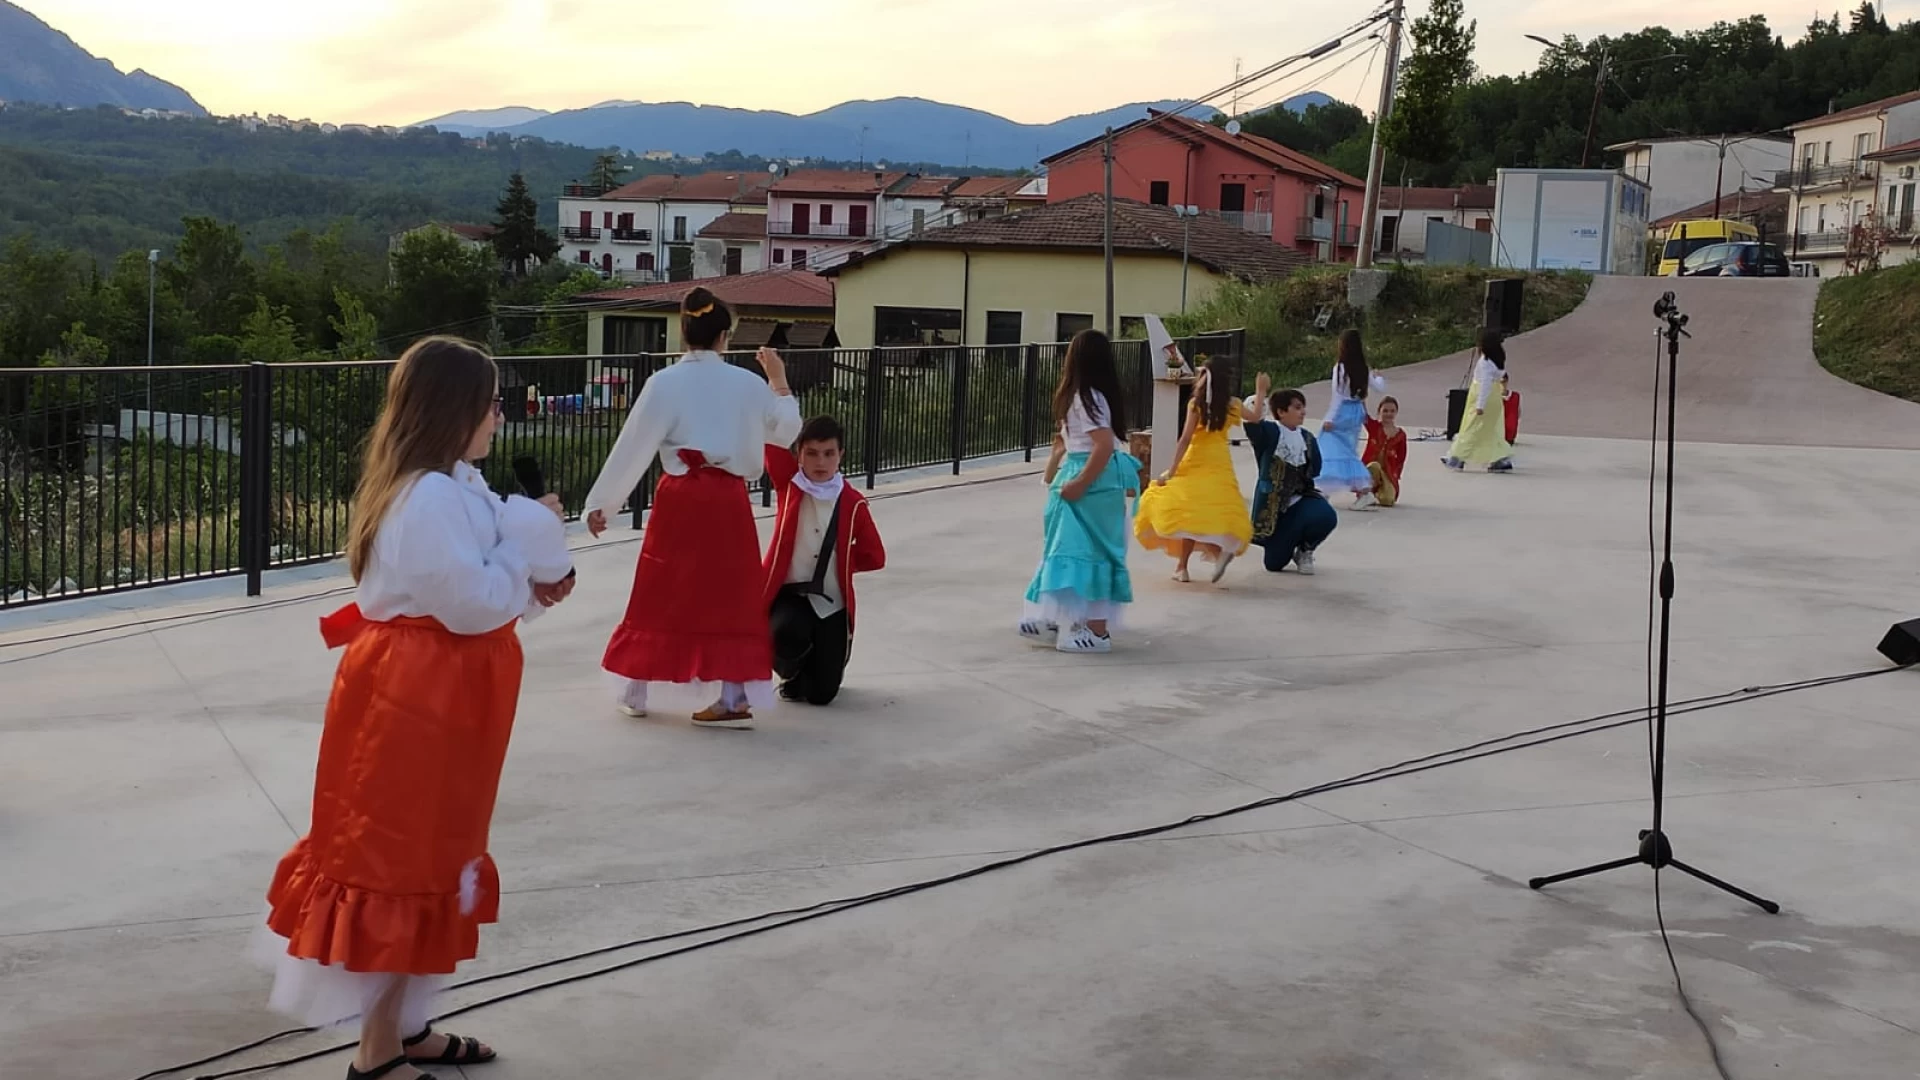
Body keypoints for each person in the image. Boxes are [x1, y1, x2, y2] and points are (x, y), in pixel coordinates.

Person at [259, 337, 575, 1080]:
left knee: (427, 855)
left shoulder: (451, 483)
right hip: (417, 701)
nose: (502, 418)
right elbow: (466, 604)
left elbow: (466, 596)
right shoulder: (429, 495)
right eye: (495, 404)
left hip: (439, 691)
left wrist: (522, 566)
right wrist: (525, 545)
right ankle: (377, 1053)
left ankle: (405, 1023)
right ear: (459, 408)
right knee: (403, 863)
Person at [584, 287, 802, 729]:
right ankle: (734, 694)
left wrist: (603, 504)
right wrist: (778, 380)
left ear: (683, 333)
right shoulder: (748, 383)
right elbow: (785, 431)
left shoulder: (663, 383)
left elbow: (634, 447)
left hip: (680, 497)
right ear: (725, 335)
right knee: (731, 594)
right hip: (727, 501)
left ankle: (636, 686)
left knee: (660, 590)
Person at [1020, 329, 1133, 654]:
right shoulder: (1089, 397)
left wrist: (1080, 482)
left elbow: (1102, 444)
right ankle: (1058, 617)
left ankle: (1095, 632)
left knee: (1088, 551)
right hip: (1087, 478)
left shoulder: (1087, 397)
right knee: (1071, 549)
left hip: (1090, 483)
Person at [761, 415, 886, 706]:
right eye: (812, 453)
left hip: (832, 604)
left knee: (822, 696)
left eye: (829, 453)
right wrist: (777, 381)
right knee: (786, 635)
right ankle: (791, 673)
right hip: (789, 597)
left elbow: (875, 556)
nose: (820, 462)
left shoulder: (853, 502)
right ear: (799, 455)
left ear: (840, 455)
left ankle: (817, 669)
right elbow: (772, 440)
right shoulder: (789, 485)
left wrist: (842, 563)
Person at [1133, 351, 1257, 583]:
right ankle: (1209, 556)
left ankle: (1185, 566)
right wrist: (1260, 392)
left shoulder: (1196, 405)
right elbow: (1257, 416)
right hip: (1220, 462)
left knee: (1185, 511)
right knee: (1206, 512)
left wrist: (1171, 469)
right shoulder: (1233, 405)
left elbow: (1186, 438)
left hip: (1196, 460)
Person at [1244, 382, 1338, 575]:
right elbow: (1252, 423)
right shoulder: (1270, 433)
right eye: (1297, 407)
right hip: (1275, 511)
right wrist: (1261, 393)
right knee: (1274, 564)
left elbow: (1314, 470)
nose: (1303, 412)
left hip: (1300, 501)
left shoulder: (1307, 438)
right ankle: (1288, 543)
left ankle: (1305, 549)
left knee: (1326, 516)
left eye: (1303, 407)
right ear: (1281, 411)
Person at [1318, 329, 1384, 506]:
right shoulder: (1363, 367)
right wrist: (1379, 377)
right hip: (1356, 412)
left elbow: (1337, 395)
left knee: (1328, 447)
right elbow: (1379, 388)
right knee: (1347, 449)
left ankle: (1326, 489)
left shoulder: (1340, 368)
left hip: (1342, 411)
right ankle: (1361, 491)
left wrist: (1330, 418)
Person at [1444, 328, 1514, 473]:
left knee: (1470, 428)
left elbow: (1485, 385)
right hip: (1495, 399)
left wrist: (1480, 405)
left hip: (1483, 398)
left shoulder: (1485, 362)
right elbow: (1502, 376)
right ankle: (1500, 459)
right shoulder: (1498, 359)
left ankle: (1457, 458)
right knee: (1492, 429)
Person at [1361, 395, 1408, 508]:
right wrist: (1362, 399)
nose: (1389, 414)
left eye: (1392, 411)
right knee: (1374, 466)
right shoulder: (1374, 427)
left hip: (1388, 473)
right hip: (1372, 471)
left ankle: (1379, 492)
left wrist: (1396, 476)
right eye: (1385, 411)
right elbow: (1363, 415)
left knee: (1387, 501)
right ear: (1379, 412)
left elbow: (1401, 458)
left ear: (1396, 412)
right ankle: (1368, 491)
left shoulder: (1400, 435)